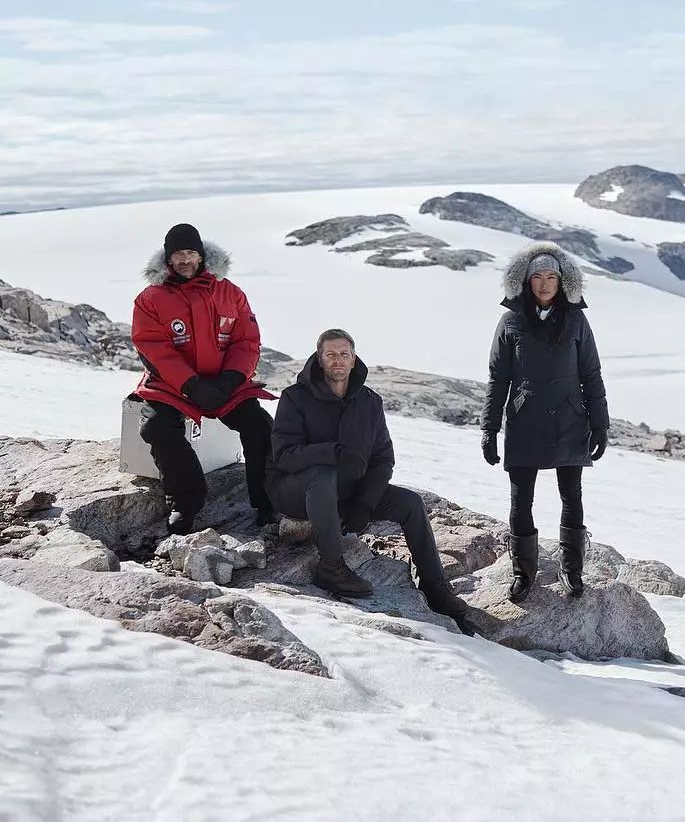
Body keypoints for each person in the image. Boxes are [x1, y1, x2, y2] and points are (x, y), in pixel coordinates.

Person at [267, 328, 468, 619]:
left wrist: (365, 503)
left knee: (410, 503)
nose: (337, 360)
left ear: (353, 359)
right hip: (296, 492)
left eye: (344, 354)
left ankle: (434, 585)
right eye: (330, 354)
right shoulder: (295, 397)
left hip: (346, 492)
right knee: (322, 475)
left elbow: (382, 459)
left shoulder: (370, 402)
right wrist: (330, 452)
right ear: (319, 359)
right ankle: (330, 567)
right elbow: (284, 456)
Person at [481, 242, 609, 602]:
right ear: (526, 280)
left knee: (572, 495)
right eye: (537, 276)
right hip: (525, 422)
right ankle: (523, 573)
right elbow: (498, 378)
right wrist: (489, 429)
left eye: (551, 276)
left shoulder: (577, 320)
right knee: (521, 501)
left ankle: (572, 570)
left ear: (562, 281)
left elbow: (591, 373)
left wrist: (600, 424)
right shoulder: (511, 321)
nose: (544, 283)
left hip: (570, 420)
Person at [132, 223, 276, 534]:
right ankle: (186, 501)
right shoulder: (151, 298)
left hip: (225, 384)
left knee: (260, 426)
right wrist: (190, 384)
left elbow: (246, 341)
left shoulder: (230, 293)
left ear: (201, 255)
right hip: (174, 386)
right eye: (178, 254)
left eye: (190, 253)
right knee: (157, 427)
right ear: (168, 259)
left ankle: (268, 501)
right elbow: (152, 347)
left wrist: (231, 379)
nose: (185, 260)